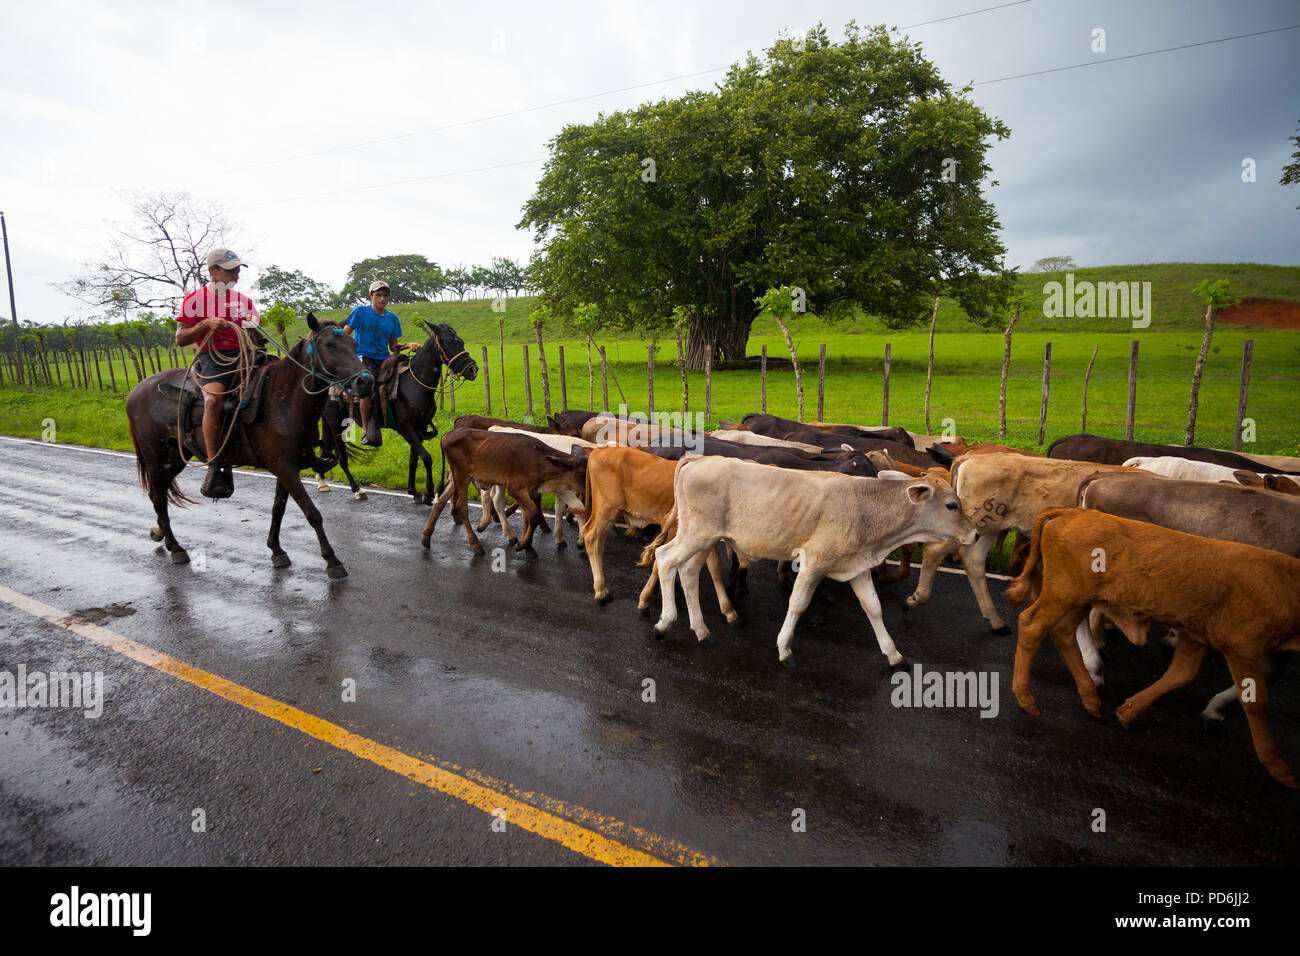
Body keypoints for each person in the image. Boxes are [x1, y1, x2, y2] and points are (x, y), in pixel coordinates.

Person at [174, 248, 262, 499]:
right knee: (213, 400)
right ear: (213, 270)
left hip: (245, 355)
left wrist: (252, 325)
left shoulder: (244, 300)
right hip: (213, 358)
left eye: (237, 270)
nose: (236, 274)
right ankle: (214, 464)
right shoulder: (194, 301)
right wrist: (204, 324)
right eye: (230, 270)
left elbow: (256, 336)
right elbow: (180, 338)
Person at [345, 280, 404, 446]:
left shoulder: (392, 318)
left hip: (384, 359)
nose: (382, 299)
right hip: (363, 356)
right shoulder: (360, 312)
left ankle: (409, 421)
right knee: (367, 383)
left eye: (385, 295)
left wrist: (407, 346)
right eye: (378, 295)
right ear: (370, 296)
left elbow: (393, 345)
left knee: (405, 378)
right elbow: (345, 334)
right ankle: (365, 429)